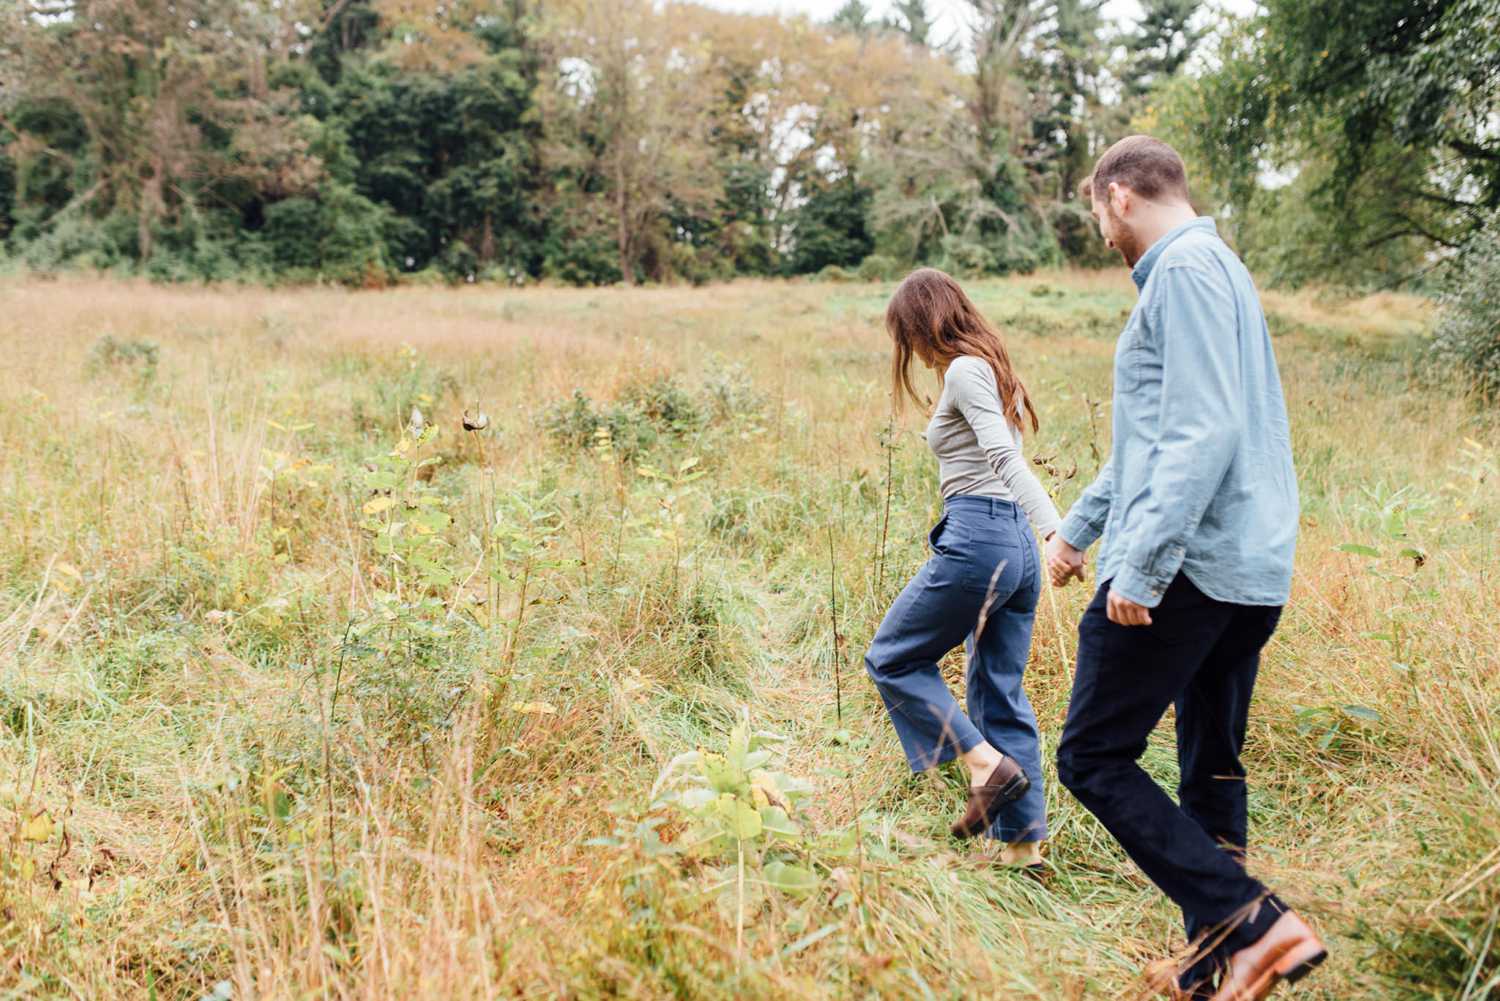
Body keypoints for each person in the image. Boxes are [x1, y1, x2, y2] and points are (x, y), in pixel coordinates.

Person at [1044, 135, 1326, 1000]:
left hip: (1190, 568)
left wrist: (1143, 566)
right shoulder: (1218, 271)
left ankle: (1255, 924)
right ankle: (1221, 967)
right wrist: (1077, 529)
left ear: (1120, 196)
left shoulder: (1184, 272)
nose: (1099, 229)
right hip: (1243, 568)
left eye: (1096, 210)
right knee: (1210, 766)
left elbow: (1200, 435)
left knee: (1092, 756)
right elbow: (1153, 441)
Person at [863, 267, 1059, 864]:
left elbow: (1002, 456)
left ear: (923, 324)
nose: (912, 352)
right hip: (1011, 545)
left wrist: (1056, 528)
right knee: (998, 691)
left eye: (907, 334)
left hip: (983, 538)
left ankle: (986, 766)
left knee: (892, 656)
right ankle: (1022, 851)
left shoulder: (966, 370)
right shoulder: (991, 368)